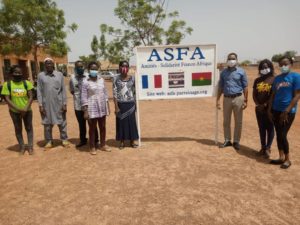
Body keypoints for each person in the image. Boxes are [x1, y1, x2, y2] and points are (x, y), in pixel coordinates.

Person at [268, 56, 300, 169]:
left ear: (291, 64)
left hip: (288, 112)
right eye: (280, 65)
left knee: (282, 134)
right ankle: (280, 157)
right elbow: (273, 95)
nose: (283, 67)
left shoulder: (296, 77)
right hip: (276, 110)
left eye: (285, 64)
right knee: (278, 134)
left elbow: (297, 95)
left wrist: (287, 111)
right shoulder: (277, 78)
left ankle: (287, 159)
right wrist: (269, 110)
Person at [216, 53, 248, 150]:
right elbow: (221, 87)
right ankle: (227, 140)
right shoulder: (223, 73)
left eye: (233, 59)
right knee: (226, 121)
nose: (231, 60)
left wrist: (246, 100)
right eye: (229, 59)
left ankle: (236, 141)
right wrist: (217, 100)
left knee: (238, 122)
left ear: (237, 60)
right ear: (227, 60)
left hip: (238, 98)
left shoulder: (242, 72)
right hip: (226, 98)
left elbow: (245, 87)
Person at [37, 58, 70, 149]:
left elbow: (63, 90)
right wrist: (40, 105)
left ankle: (64, 139)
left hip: (58, 103)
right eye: (47, 63)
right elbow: (39, 91)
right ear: (45, 65)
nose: (49, 65)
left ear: (53, 64)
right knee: (47, 123)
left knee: (62, 122)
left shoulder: (59, 75)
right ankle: (48, 141)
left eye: (50, 63)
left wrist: (64, 103)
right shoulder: (41, 76)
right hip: (46, 104)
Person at [1, 65, 34, 155]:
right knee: (18, 129)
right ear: (12, 73)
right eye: (15, 72)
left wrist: (26, 108)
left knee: (29, 128)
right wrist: (19, 109)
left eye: (19, 72)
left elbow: (31, 96)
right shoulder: (7, 85)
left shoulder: (26, 83)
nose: (18, 74)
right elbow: (7, 99)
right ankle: (22, 146)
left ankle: (30, 147)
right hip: (14, 112)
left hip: (27, 110)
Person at [81, 62, 110, 155]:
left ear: (98, 70)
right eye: (92, 69)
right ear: (89, 69)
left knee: (103, 127)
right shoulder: (85, 81)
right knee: (92, 128)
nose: (94, 70)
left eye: (95, 69)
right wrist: (85, 111)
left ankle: (103, 144)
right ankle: (92, 146)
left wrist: (107, 106)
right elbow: (83, 97)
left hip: (102, 107)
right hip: (91, 107)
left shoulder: (101, 80)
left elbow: (105, 93)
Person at [69, 60, 99, 148]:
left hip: (89, 105)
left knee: (92, 124)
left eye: (82, 67)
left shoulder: (88, 77)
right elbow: (72, 91)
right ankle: (83, 140)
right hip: (78, 106)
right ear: (75, 68)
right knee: (81, 124)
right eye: (78, 67)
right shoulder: (72, 78)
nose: (80, 68)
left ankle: (95, 140)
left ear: (84, 68)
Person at [113, 60, 139, 149]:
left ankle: (132, 140)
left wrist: (136, 104)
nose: (124, 68)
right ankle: (122, 141)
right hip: (120, 104)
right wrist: (116, 107)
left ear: (128, 68)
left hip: (130, 104)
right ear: (119, 67)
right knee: (121, 123)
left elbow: (135, 92)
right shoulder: (115, 78)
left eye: (126, 66)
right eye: (122, 66)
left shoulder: (133, 78)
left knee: (131, 123)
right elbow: (115, 93)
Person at [252, 59, 275, 158]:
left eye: (266, 67)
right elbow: (254, 94)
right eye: (262, 67)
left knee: (270, 128)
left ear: (270, 67)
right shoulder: (257, 80)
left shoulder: (274, 79)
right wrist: (258, 104)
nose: (264, 69)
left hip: (270, 109)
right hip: (259, 108)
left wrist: (265, 105)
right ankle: (263, 147)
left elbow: (273, 95)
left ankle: (268, 148)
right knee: (261, 128)